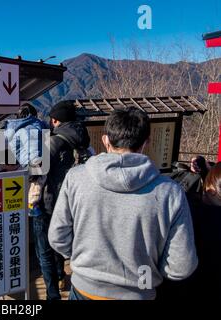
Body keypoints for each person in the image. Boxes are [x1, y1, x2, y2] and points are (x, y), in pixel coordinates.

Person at [49, 107, 198, 300]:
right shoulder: (169, 192)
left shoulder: (76, 178)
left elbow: (57, 236)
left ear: (105, 140)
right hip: (139, 292)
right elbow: (182, 265)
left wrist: (83, 258)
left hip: (83, 289)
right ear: (146, 143)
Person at [29, 100, 90, 299]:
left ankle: (53, 294)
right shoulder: (84, 143)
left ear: (55, 120)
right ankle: (61, 274)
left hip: (48, 204)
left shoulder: (53, 142)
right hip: (73, 205)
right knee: (60, 241)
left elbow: (35, 172)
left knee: (44, 251)